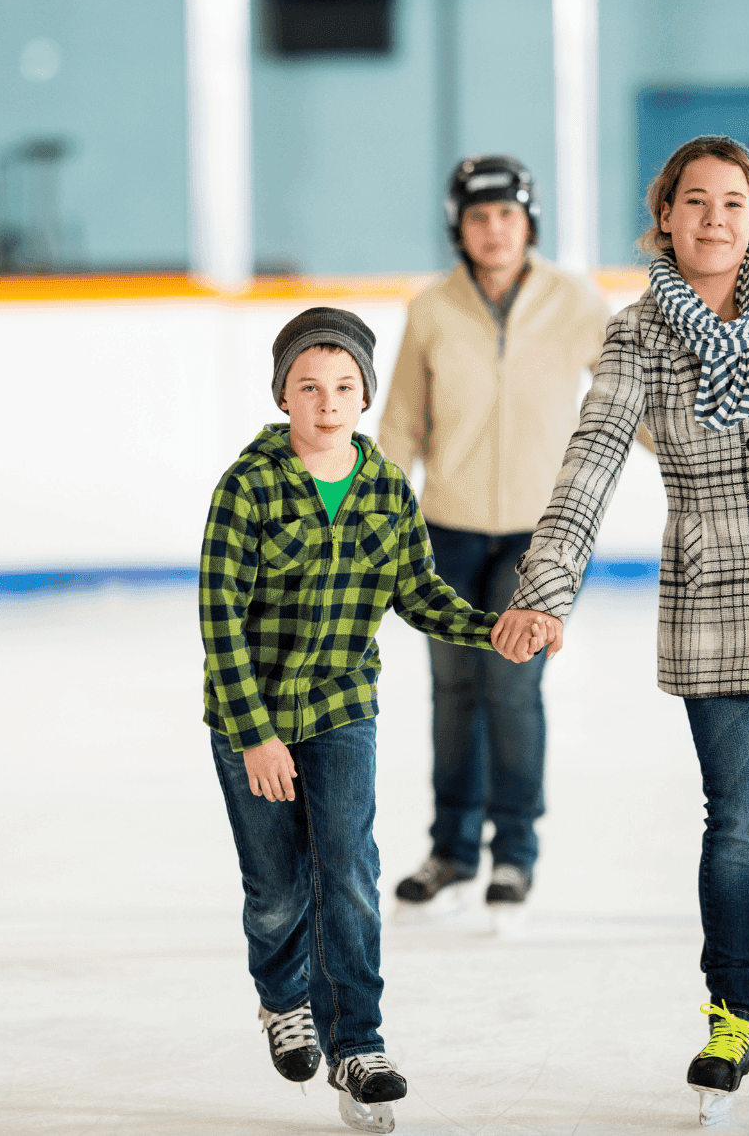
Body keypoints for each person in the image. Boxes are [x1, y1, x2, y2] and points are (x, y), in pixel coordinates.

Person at [492, 136, 749, 1121]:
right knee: (738, 828)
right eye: (694, 202)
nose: (713, 219)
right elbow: (588, 467)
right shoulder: (638, 339)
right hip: (713, 601)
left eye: (732, 203)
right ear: (665, 217)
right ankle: (732, 1016)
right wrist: (544, 592)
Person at [199, 306, 552, 1132]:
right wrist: (254, 734)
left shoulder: (387, 486)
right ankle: (283, 999)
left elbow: (417, 593)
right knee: (280, 887)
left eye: (345, 387)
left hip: (342, 707)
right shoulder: (247, 485)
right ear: (282, 394)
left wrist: (492, 630)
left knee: (350, 872)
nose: (327, 403)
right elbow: (219, 618)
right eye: (308, 387)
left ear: (365, 395)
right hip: (251, 715)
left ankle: (358, 1041)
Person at [377, 155, 615, 912]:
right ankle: (451, 848)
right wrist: (367, 520)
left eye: (507, 215)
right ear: (460, 226)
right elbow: (400, 425)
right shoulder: (432, 310)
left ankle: (513, 852)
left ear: (528, 220)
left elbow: (625, 400)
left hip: (539, 537)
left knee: (512, 690)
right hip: (446, 529)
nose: (494, 230)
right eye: (478, 217)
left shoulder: (575, 302)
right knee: (453, 691)